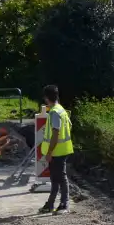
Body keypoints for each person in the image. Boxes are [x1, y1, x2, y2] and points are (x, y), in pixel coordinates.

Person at [38, 84, 74, 215]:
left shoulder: (54, 112)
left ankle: (64, 204)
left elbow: (55, 133)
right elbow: (69, 126)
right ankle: (51, 204)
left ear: (46, 98)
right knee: (55, 177)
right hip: (61, 150)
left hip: (57, 151)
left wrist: (49, 152)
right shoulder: (61, 110)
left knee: (61, 177)